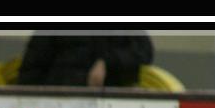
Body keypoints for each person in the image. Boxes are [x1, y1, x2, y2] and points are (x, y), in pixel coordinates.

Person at [18, 32, 153, 88]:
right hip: (61, 101)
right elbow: (31, 69)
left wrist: (107, 61)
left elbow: (144, 52)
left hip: (109, 106)